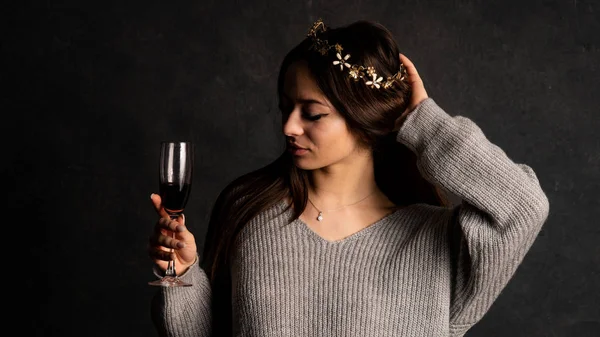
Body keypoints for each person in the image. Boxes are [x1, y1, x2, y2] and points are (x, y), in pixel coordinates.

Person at [147, 19, 550, 337]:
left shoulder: (437, 241)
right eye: (286, 107)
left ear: (362, 116)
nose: (289, 126)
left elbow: (524, 207)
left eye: (312, 113)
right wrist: (180, 273)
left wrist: (423, 121)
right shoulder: (250, 214)